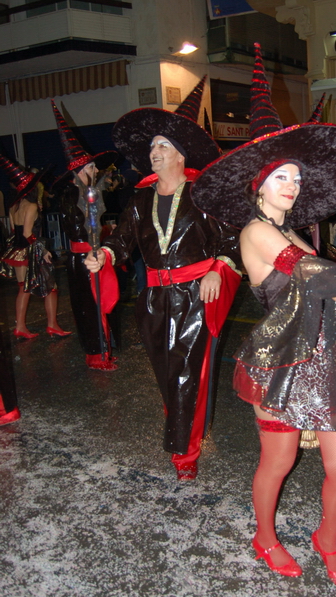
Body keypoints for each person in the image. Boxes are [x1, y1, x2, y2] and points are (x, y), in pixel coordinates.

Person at [192, 45, 336, 590]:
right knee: (278, 463)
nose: (292, 185)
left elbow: (328, 274)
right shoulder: (256, 232)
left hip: (326, 359)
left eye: (296, 177)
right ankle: (265, 537)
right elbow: (313, 276)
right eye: (282, 177)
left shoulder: (295, 230)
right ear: (259, 183)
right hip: (281, 361)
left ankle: (326, 540)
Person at [85, 78, 242, 481]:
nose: (152, 153)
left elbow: (231, 241)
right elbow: (121, 242)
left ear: (180, 156)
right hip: (153, 299)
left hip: (194, 296)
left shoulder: (203, 196)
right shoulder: (139, 200)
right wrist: (102, 254)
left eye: (161, 147)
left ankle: (185, 453)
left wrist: (217, 268)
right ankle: (183, 422)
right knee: (166, 373)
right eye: (152, 147)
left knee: (189, 371)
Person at [52, 100, 121, 370]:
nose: (96, 172)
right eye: (92, 168)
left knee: (98, 303)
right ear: (81, 171)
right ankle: (96, 354)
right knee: (89, 306)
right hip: (82, 258)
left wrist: (105, 232)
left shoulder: (85, 193)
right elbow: (80, 228)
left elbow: (91, 225)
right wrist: (100, 233)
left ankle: (103, 350)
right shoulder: (72, 194)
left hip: (92, 254)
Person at [0, 154, 71, 340]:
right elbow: (27, 234)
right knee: (51, 288)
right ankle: (52, 325)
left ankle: (21, 327)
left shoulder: (14, 206)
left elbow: (17, 232)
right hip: (30, 251)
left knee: (24, 288)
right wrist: (44, 250)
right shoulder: (31, 206)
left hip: (17, 252)